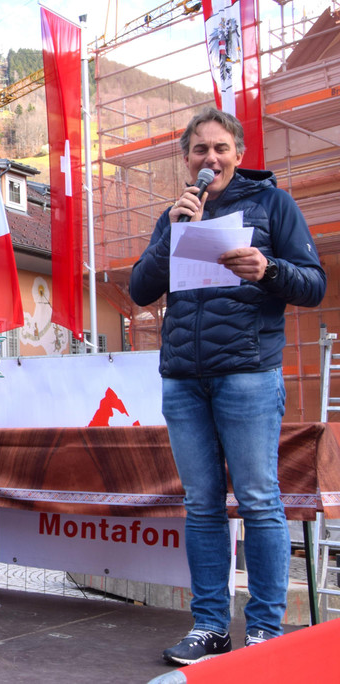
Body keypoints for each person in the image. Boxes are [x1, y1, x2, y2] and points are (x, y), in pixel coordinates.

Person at [130, 107, 326, 665]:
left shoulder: (273, 205)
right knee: (201, 505)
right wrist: (173, 233)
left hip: (248, 372)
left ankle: (264, 630)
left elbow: (314, 284)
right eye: (200, 149)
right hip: (184, 378)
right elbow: (141, 289)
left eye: (220, 148)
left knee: (260, 500)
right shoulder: (176, 214)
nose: (210, 158)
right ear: (185, 159)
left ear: (238, 154)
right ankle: (210, 627)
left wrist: (269, 269)